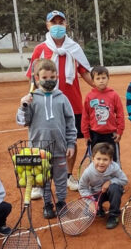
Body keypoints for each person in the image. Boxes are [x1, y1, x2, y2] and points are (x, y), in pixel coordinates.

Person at [26, 10, 94, 195]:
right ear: (47, 25)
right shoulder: (41, 49)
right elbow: (33, 76)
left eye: (60, 22)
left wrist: (99, 88)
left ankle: (68, 175)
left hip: (72, 103)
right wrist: (31, 97)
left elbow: (85, 72)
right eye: (53, 22)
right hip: (45, 102)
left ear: (66, 25)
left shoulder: (74, 49)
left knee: (71, 139)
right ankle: (40, 182)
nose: (57, 25)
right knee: (42, 142)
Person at [17, 58, 77, 219]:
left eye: (52, 77)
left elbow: (70, 123)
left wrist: (71, 143)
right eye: (44, 78)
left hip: (60, 147)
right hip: (38, 148)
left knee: (60, 178)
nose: (49, 81)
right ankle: (47, 204)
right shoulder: (31, 98)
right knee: (42, 179)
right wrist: (23, 106)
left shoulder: (62, 98)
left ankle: (61, 203)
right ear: (37, 78)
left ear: (56, 77)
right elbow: (23, 121)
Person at [81, 66, 125, 166]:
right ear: (92, 81)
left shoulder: (114, 95)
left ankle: (115, 180)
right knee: (96, 160)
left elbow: (120, 114)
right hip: (95, 135)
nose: (101, 81)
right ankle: (97, 180)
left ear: (108, 79)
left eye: (104, 78)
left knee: (113, 160)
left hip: (111, 135)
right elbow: (85, 116)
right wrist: (86, 134)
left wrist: (119, 131)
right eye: (98, 78)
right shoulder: (89, 96)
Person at [78, 142, 128, 229]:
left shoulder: (114, 167)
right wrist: (91, 202)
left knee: (115, 188)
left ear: (111, 160)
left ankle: (114, 215)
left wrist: (110, 182)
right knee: (88, 214)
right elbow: (82, 188)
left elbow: (124, 180)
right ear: (93, 158)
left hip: (111, 192)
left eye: (105, 159)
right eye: (98, 159)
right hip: (96, 194)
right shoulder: (88, 172)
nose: (101, 162)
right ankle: (99, 207)